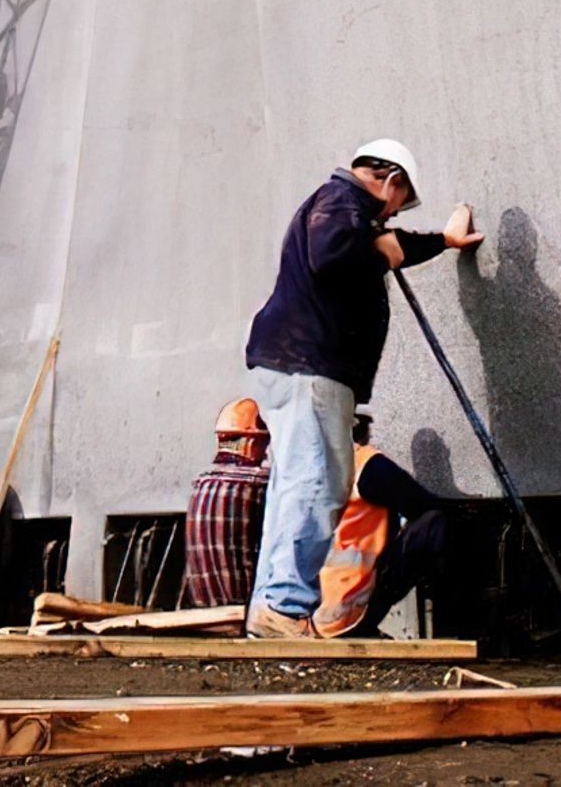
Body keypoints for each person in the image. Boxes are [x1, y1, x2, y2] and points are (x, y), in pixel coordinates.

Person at [242, 138, 483, 639]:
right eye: (400, 199)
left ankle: (273, 607)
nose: (394, 212)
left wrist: (441, 241)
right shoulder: (341, 200)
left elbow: (380, 246)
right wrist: (386, 250)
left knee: (294, 486)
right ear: (391, 181)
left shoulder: (342, 209)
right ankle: (285, 608)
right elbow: (337, 253)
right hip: (312, 364)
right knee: (315, 484)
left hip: (292, 362)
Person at [314, 412, 452, 637]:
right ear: (363, 432)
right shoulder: (367, 464)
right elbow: (422, 504)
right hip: (350, 606)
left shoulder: (311, 466)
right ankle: (455, 616)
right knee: (434, 522)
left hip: (314, 612)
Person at [183, 398, 271, 608]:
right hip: (246, 611)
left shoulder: (200, 485)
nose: (266, 451)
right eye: (264, 443)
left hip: (204, 612)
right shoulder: (259, 484)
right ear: (250, 443)